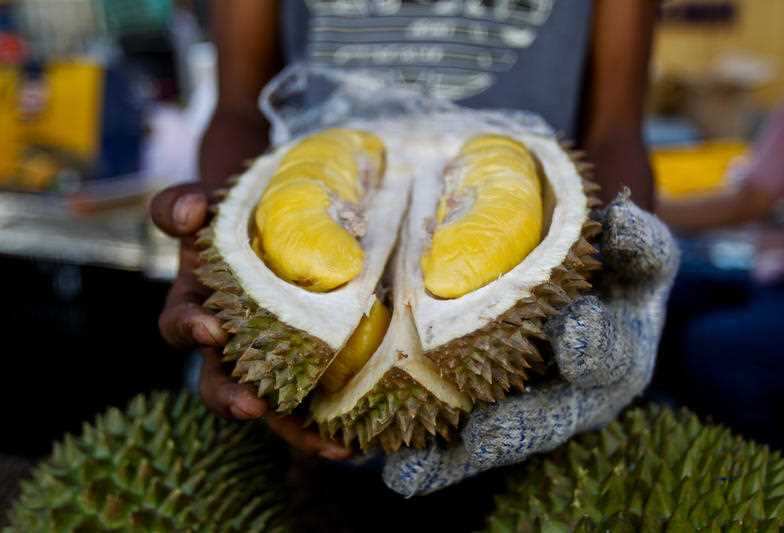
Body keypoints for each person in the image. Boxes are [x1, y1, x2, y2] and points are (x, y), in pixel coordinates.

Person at [149, 3, 673, 509]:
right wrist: (219, 243)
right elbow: (239, 107)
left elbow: (615, 128)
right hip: (298, 409)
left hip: (530, 363)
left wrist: (621, 285)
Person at [656, 86, 784, 459]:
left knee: (713, 345)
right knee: (659, 294)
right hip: (777, 272)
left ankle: (770, 466)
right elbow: (751, 200)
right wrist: (635, 207)